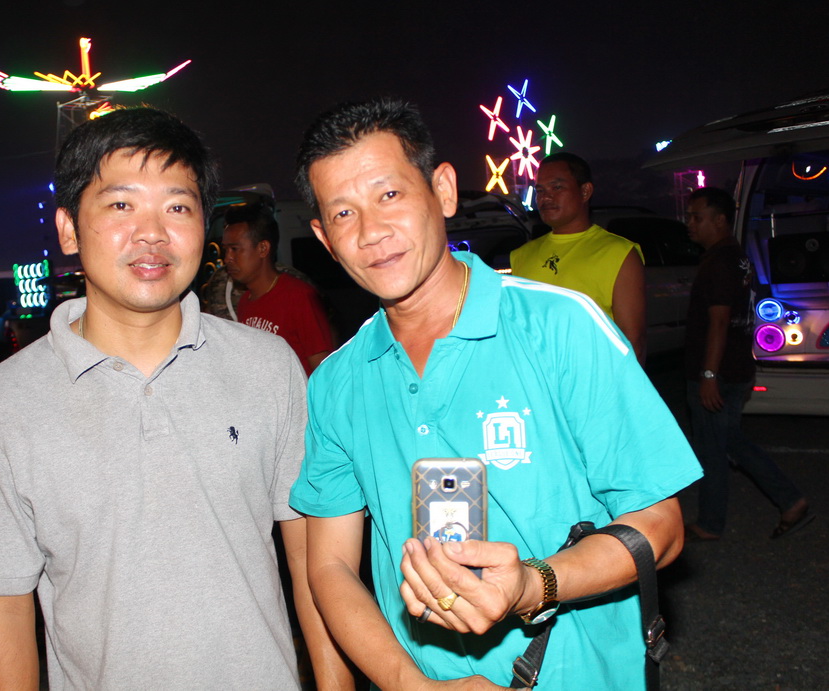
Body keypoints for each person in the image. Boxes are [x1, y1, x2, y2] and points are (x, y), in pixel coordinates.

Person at [289, 98, 701, 689]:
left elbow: (661, 524)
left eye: (390, 194)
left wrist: (534, 584)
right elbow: (329, 566)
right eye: (343, 213)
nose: (372, 232)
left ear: (443, 190)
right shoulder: (336, 382)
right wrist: (413, 686)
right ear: (324, 238)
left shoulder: (560, 327)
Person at [0, 106, 347, 690]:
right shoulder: (1, 406)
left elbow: (313, 560)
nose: (152, 233)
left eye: (178, 207)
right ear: (68, 228)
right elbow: (3, 605)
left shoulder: (268, 368)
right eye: (120, 205)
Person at [682, 186, 812, 541]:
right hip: (736, 366)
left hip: (720, 370)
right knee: (728, 441)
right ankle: (790, 501)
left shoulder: (720, 262)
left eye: (697, 217)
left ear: (720, 220)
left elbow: (720, 320)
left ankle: (712, 523)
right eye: (689, 216)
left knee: (714, 447)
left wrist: (709, 373)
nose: (689, 223)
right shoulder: (736, 257)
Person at [510, 152, 647, 363]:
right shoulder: (521, 255)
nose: (545, 197)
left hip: (594, 379)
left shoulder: (619, 254)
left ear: (585, 191)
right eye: (540, 190)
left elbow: (633, 342)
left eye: (557, 187)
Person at [222, 204, 334, 374]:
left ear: (263, 248)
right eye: (226, 250)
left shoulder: (299, 297)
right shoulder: (245, 302)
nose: (227, 258)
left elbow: (325, 370)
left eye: (235, 249)